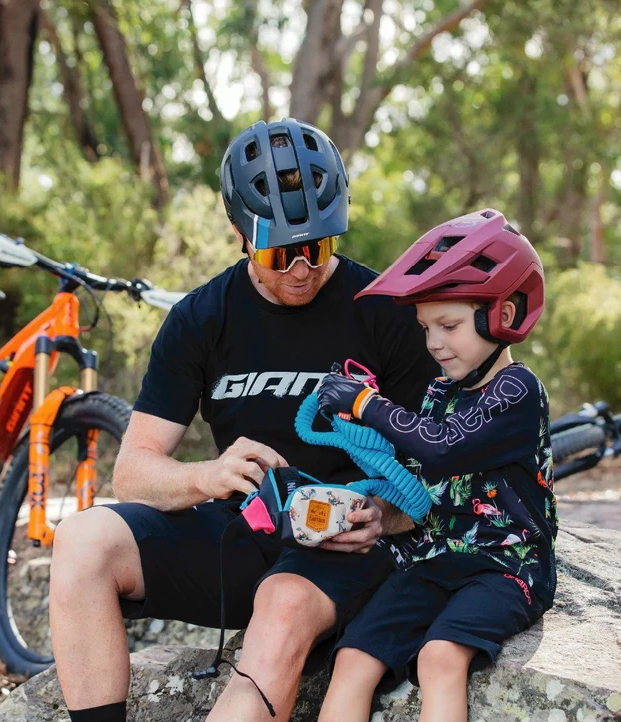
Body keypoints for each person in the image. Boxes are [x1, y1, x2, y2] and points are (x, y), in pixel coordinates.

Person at [48, 117, 439, 722]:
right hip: (245, 530)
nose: (303, 267)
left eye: (320, 245)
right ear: (239, 231)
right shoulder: (200, 318)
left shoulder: (386, 314)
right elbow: (133, 473)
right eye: (281, 252)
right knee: (81, 540)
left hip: (348, 550)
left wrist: (381, 518)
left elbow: (433, 468)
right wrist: (207, 476)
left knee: (281, 605)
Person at [316, 209, 558, 722]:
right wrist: (356, 437)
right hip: (434, 558)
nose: (433, 343)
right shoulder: (436, 392)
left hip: (505, 567)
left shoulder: (517, 390)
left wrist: (365, 405)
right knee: (353, 658)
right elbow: (416, 470)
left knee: (439, 657)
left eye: (447, 325)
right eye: (426, 327)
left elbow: (444, 447)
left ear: (505, 314)